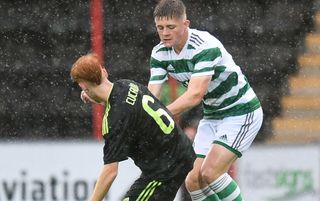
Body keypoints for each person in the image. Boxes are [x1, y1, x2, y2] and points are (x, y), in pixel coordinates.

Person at [148, 0, 263, 200]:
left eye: (171, 27)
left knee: (210, 173)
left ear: (186, 24)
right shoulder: (159, 53)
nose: (165, 33)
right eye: (160, 28)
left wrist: (158, 115)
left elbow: (194, 95)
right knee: (193, 180)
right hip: (212, 116)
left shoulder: (204, 46)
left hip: (241, 111)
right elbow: (151, 96)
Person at [70, 53, 196, 201]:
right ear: (104, 72)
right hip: (180, 150)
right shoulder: (126, 85)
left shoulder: (113, 121)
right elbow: (122, 107)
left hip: (164, 170)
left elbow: (110, 171)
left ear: (84, 86)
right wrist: (93, 94)